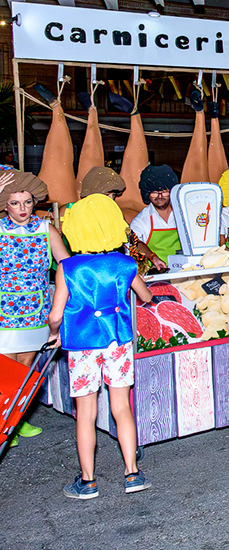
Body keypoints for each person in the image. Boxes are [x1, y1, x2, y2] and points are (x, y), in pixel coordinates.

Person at [47, 195, 154, 499]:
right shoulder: (125, 264)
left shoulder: (68, 267)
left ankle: (88, 480)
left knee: (86, 412)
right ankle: (132, 473)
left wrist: (55, 332)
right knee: (122, 407)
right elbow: (145, 297)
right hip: (117, 341)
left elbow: (56, 315)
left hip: (82, 345)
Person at [0, 171, 70, 446]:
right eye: (15, 203)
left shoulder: (45, 228)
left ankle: (17, 422)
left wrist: (60, 302)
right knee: (5, 370)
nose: (22, 209)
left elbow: (64, 262)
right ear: (5, 204)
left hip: (36, 311)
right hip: (3, 310)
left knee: (26, 370)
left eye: (27, 202)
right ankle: (4, 422)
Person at [129, 165, 181, 268]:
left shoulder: (183, 214)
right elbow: (135, 243)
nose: (160, 196)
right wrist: (153, 257)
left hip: (185, 271)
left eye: (164, 191)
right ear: (147, 193)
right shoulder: (140, 221)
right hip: (156, 275)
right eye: (154, 192)